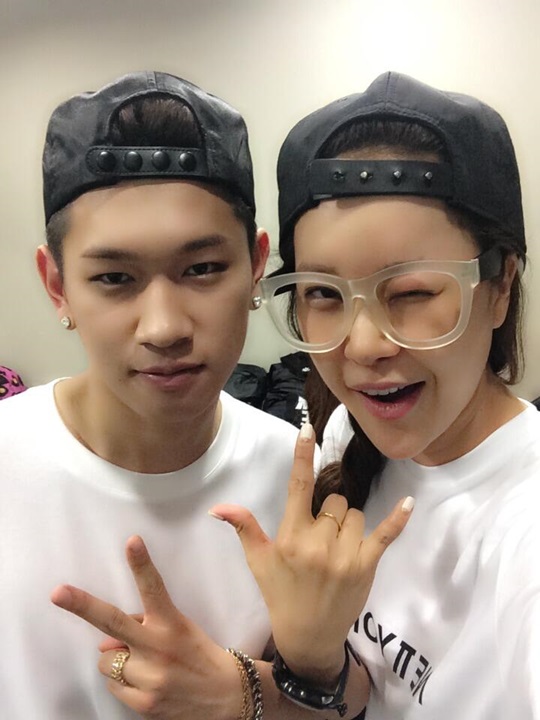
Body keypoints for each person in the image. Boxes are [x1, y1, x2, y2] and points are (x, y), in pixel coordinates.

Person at [215, 71, 539, 719]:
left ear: (500, 286)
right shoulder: (347, 433)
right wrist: (311, 661)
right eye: (322, 294)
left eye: (413, 293)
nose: (363, 346)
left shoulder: (523, 528)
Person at [0, 70, 304, 720]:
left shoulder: (298, 475)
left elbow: (358, 691)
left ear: (256, 266)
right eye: (114, 278)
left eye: (203, 269)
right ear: (56, 286)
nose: (164, 328)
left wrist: (248, 694)